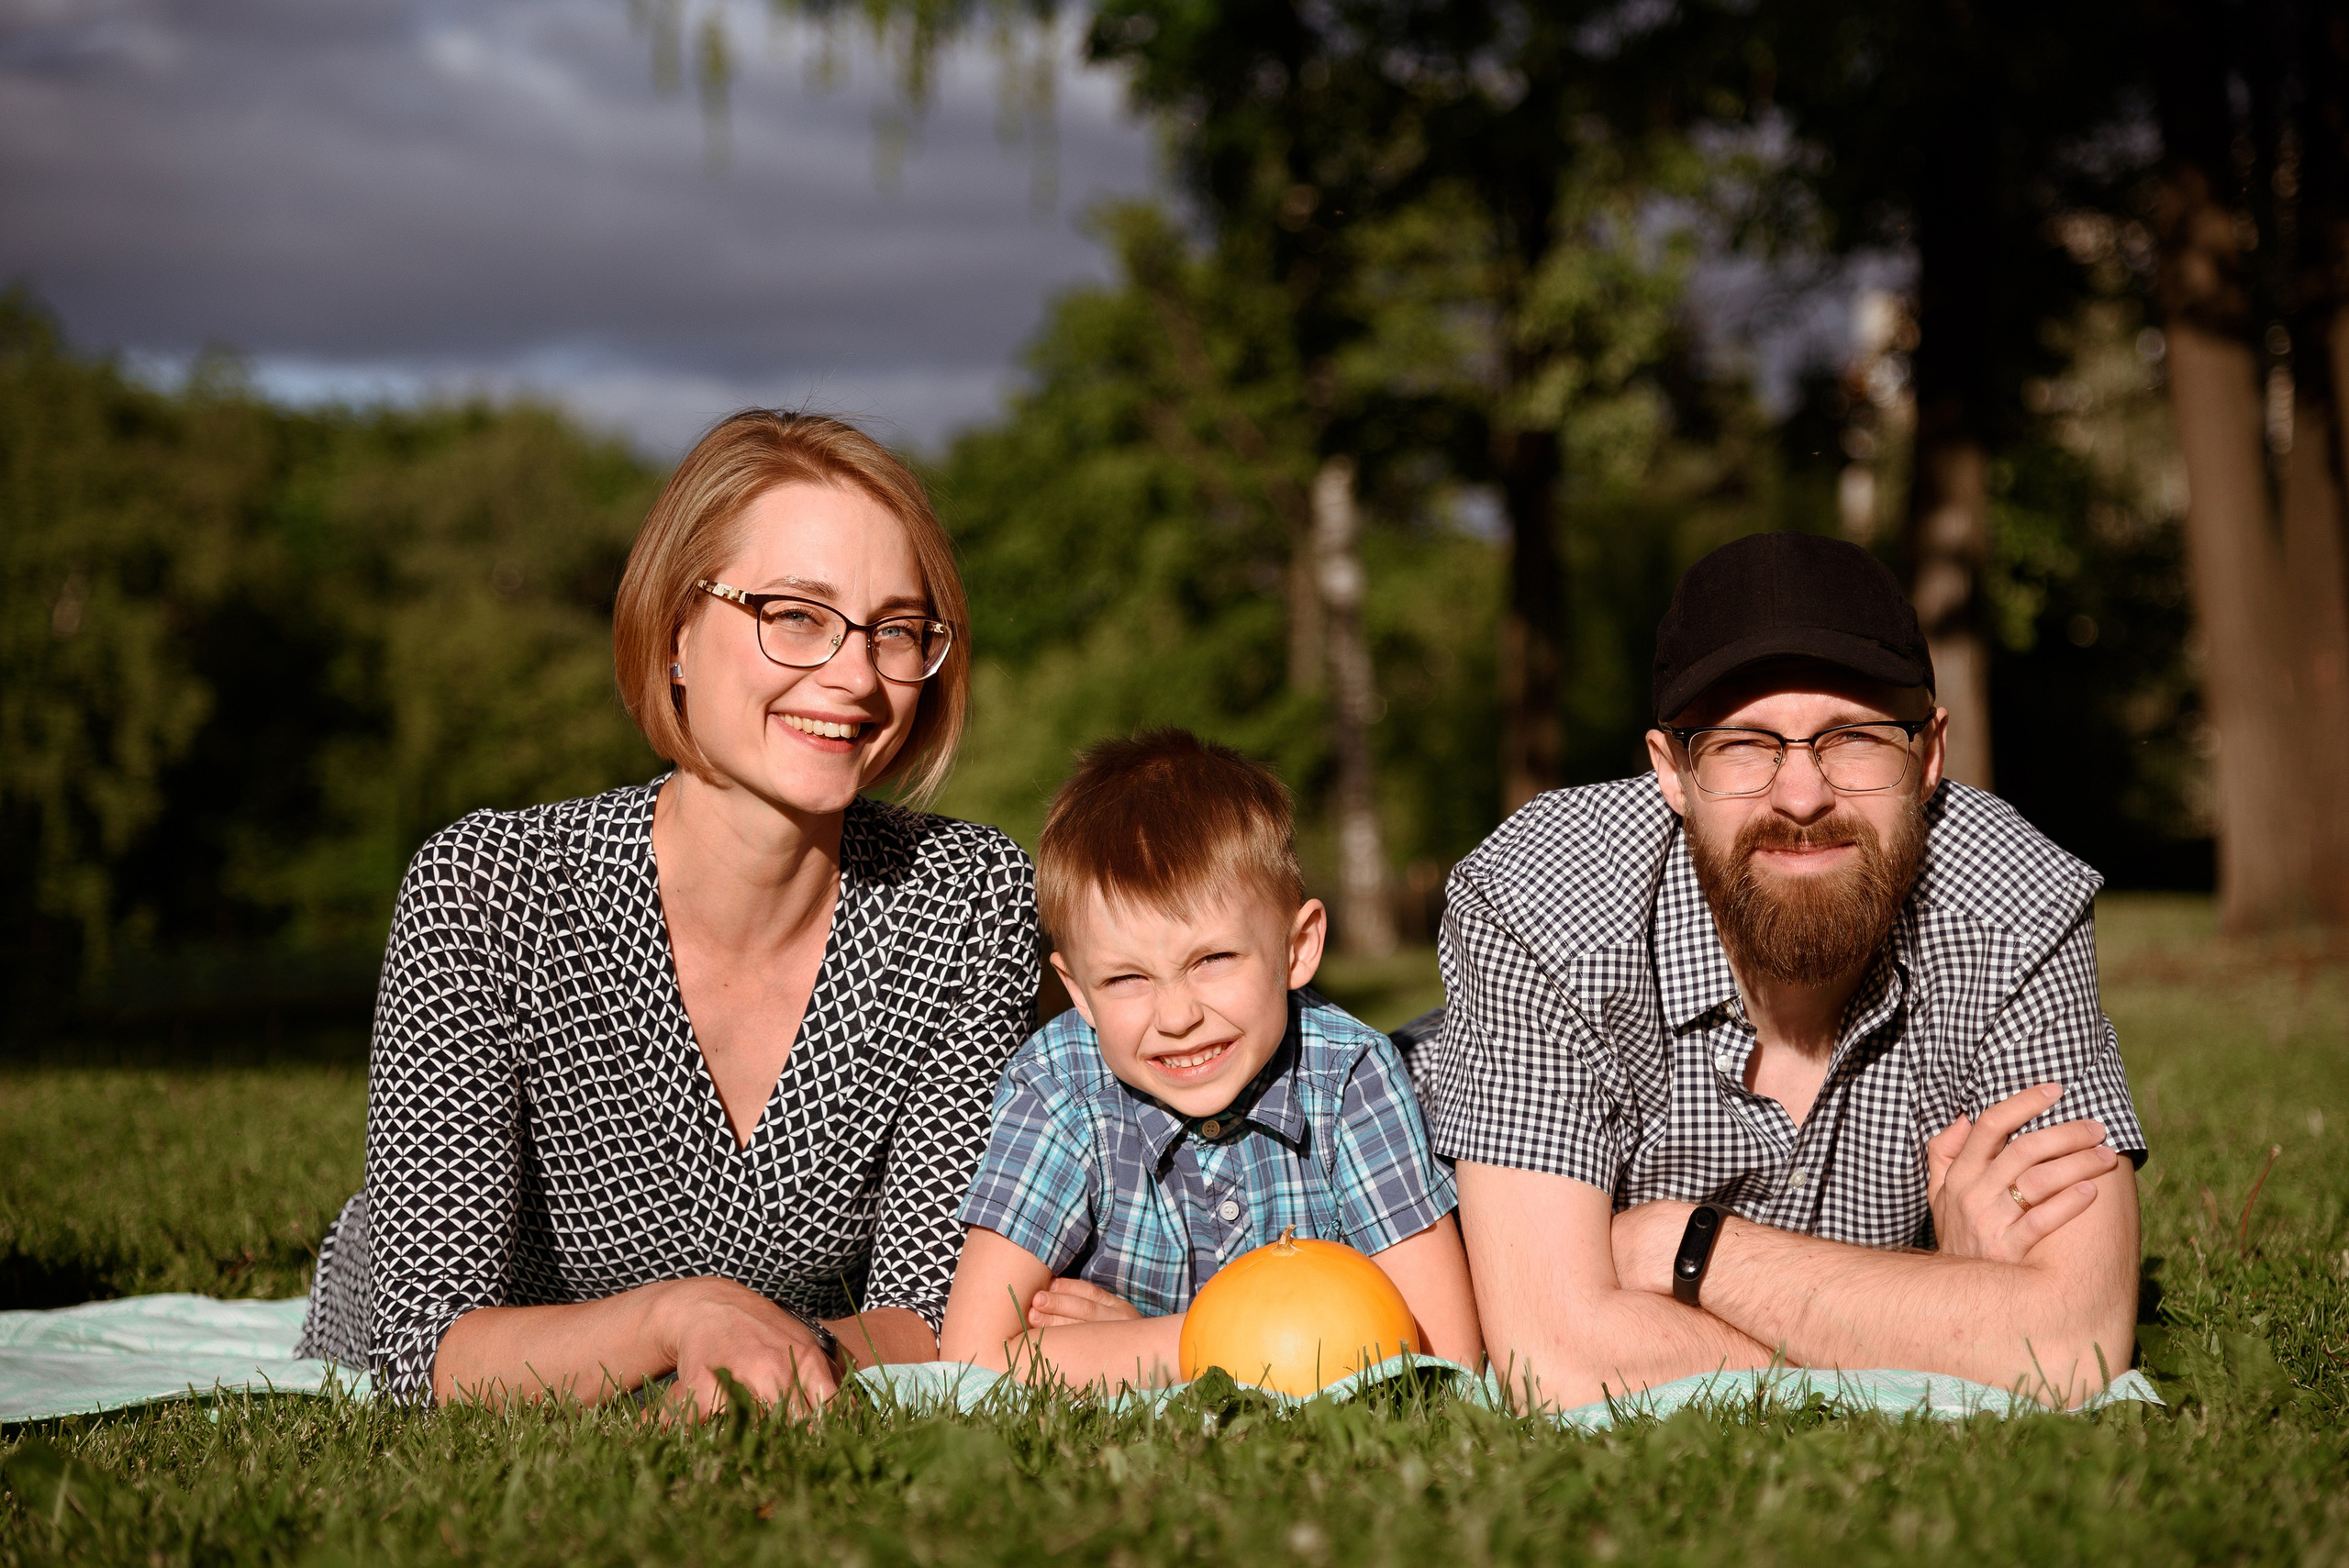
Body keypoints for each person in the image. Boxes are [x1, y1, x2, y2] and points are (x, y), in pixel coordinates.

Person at [296, 411, 1040, 1415]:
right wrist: (680, 1318)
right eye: (795, 614)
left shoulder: (967, 898)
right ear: (677, 631)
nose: (858, 676)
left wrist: (771, 1349)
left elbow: (934, 1313)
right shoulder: (488, 887)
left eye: (896, 629)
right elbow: (428, 1347)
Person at [1416, 530, 2145, 1412]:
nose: (1802, 797)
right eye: (1744, 745)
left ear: (1930, 758)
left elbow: (2074, 1343)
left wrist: (1681, 1247)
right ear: (1672, 772)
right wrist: (1946, 1309)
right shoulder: (1543, 897)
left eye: (1854, 738)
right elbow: (1556, 1358)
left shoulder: (2014, 899)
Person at [937, 729, 1481, 1387]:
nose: (1176, 1017)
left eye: (1213, 959)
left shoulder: (1350, 1076)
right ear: (1077, 992)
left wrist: (1155, 1341)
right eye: (1125, 979)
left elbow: (1444, 1351)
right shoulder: (1060, 1084)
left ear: (1298, 948)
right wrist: (1200, 1344)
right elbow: (972, 1359)